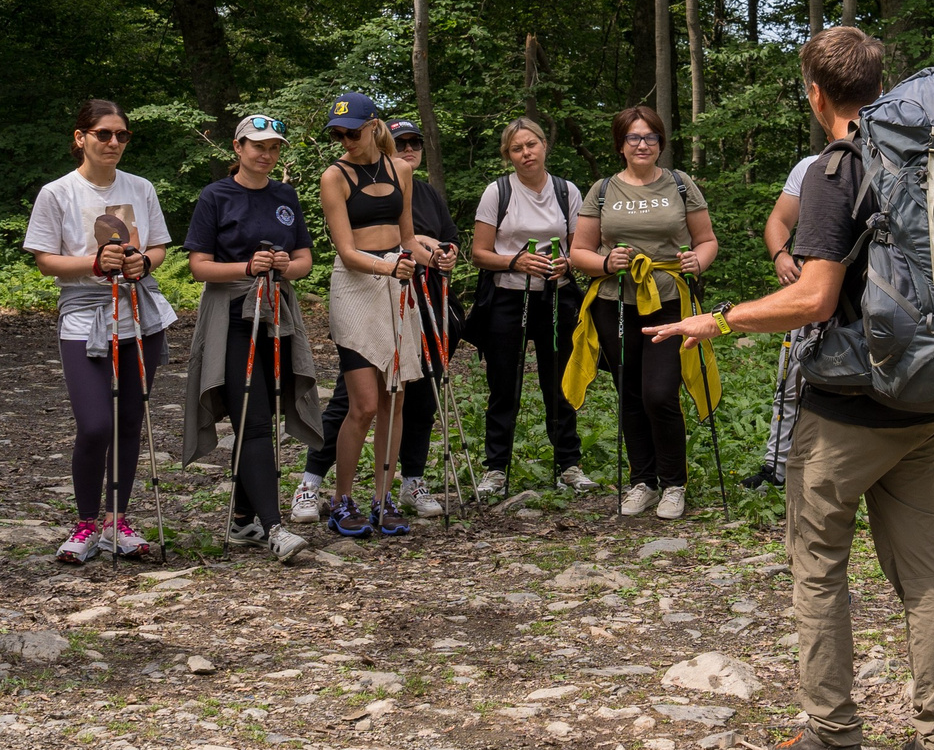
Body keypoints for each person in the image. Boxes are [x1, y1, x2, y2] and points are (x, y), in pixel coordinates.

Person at [647, 26, 934, 750]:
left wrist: (718, 319)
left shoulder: (838, 168)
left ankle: (833, 732)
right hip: (925, 397)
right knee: (925, 571)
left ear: (816, 93)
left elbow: (817, 296)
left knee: (818, 564)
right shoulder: (933, 160)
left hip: (850, 406)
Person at [23, 99, 177, 564]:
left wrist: (141, 262)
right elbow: (45, 259)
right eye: (104, 134)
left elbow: (158, 246)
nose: (113, 142)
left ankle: (117, 520)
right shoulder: (58, 193)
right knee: (95, 425)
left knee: (129, 422)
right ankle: (86, 521)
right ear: (81, 138)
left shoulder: (141, 187)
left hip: (138, 315)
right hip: (83, 315)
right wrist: (94, 263)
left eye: (121, 135)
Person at [299, 119, 456, 522]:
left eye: (352, 133)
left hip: (397, 285)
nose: (345, 141)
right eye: (338, 135)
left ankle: (382, 500)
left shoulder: (399, 170)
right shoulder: (333, 176)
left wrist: (434, 258)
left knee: (396, 399)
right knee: (364, 404)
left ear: (371, 127)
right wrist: (389, 268)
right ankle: (342, 499)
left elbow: (407, 240)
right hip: (356, 287)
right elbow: (347, 251)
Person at [568, 106, 718, 519]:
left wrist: (698, 262)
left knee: (660, 392)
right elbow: (579, 251)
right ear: (621, 144)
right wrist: (604, 263)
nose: (642, 144)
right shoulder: (602, 190)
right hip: (614, 302)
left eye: (650, 137)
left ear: (660, 142)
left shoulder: (681, 185)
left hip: (669, 299)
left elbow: (706, 239)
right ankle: (643, 481)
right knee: (630, 393)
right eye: (634, 137)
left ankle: (673, 484)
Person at [182, 113, 318, 556]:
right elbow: (198, 266)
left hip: (277, 313)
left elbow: (304, 260)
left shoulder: (285, 195)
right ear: (237, 148)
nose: (266, 154)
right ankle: (276, 529)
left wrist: (283, 267)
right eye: (257, 145)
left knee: (264, 413)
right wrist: (247, 266)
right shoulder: (216, 195)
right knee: (253, 419)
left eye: (274, 147)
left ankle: (242, 519)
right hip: (233, 314)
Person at [469, 117, 594, 498]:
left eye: (532, 145)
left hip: (556, 295)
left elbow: (580, 246)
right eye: (517, 148)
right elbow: (478, 253)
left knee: (559, 382)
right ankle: (496, 469)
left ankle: (569, 465)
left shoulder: (566, 190)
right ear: (508, 155)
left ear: (544, 145)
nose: (527, 153)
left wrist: (567, 263)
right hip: (508, 297)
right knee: (504, 384)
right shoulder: (498, 192)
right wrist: (515, 262)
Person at [735, 150, 826, 494]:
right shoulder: (809, 166)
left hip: (868, 289)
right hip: (808, 284)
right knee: (791, 379)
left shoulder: (888, 157)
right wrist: (780, 255)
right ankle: (777, 467)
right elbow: (778, 220)